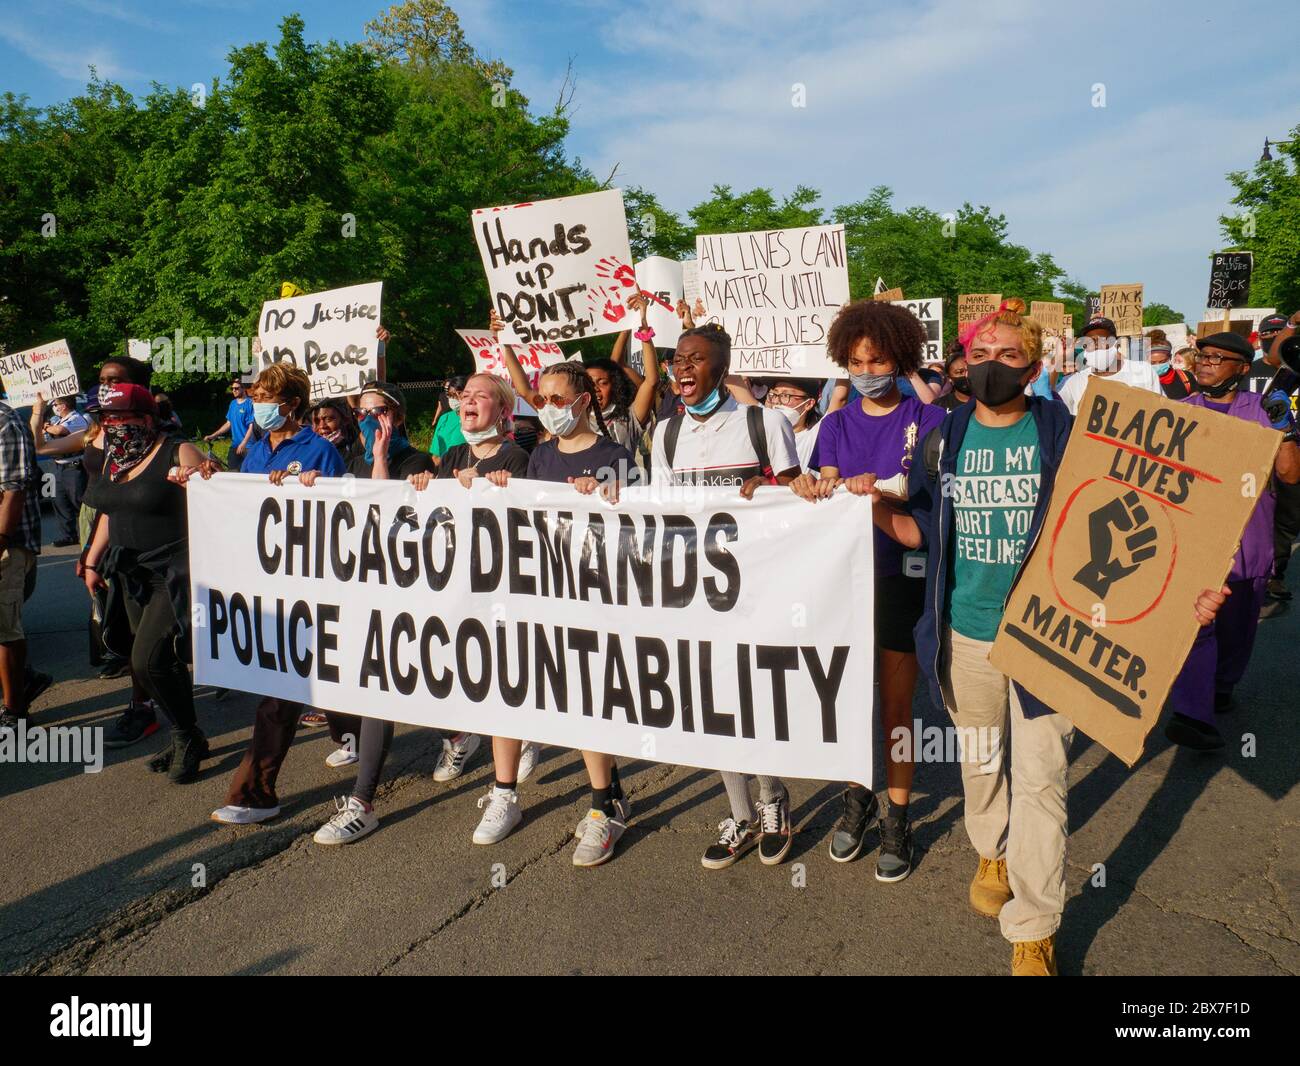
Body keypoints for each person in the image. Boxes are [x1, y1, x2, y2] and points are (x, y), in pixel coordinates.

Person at [865, 298, 1230, 975]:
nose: (993, 365)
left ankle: (1033, 923)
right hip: (963, 635)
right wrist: (862, 512)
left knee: (1042, 778)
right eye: (981, 354)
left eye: (1010, 356)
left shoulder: (1073, 437)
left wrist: (1190, 594)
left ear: (1035, 367)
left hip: (1048, 638)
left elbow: (1147, 518)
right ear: (964, 363)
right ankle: (992, 849)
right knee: (981, 760)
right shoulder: (944, 439)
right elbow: (923, 531)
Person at [789, 300, 946, 881]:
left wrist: (881, 494)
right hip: (845, 582)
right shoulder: (833, 424)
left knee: (897, 707)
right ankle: (857, 799)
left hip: (902, 577)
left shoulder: (930, 421)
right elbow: (827, 489)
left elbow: (932, 500)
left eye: (876, 359)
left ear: (899, 358)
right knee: (850, 703)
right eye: (854, 361)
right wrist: (810, 485)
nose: (864, 370)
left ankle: (897, 818)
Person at [467, 357, 639, 867]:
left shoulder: (614, 453)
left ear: (584, 403)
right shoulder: (538, 457)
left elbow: (636, 524)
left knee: (587, 698)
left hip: (592, 596)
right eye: (540, 401)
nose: (546, 408)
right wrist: (492, 490)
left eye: (557, 400)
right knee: (512, 684)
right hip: (536, 592)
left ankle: (603, 804)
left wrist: (607, 497)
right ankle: (503, 793)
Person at [648, 323, 802, 870]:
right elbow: (663, 517)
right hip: (696, 591)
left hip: (757, 588)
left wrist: (772, 490)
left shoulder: (765, 423)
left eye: (695, 359)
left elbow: (801, 504)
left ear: (722, 365)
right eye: (676, 359)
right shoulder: (665, 435)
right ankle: (738, 811)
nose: (682, 368)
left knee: (752, 699)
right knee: (713, 704)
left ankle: (773, 799)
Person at [210, 364, 347, 825]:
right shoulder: (253, 452)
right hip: (270, 588)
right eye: (254, 396)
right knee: (321, 679)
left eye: (267, 397)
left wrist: (314, 491)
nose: (257, 405)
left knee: (285, 688)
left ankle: (254, 794)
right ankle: (355, 735)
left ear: (290, 404)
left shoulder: (319, 450)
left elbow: (341, 516)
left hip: (313, 587)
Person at [310, 382, 437, 845]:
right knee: (383, 684)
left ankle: (362, 803)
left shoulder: (417, 462)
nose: (367, 419)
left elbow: (390, 519)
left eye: (378, 411)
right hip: (366, 591)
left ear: (397, 416)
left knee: (394, 682)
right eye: (360, 412)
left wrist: (382, 457)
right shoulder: (352, 462)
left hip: (410, 591)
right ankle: (456, 734)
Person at [1164, 331, 1300, 750]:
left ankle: (1221, 686)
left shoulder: (1264, 411)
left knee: (1238, 628)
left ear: (1242, 368)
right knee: (1195, 625)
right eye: (1200, 355)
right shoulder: (1180, 412)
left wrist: (1286, 431)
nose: (1205, 363)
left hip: (1249, 540)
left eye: (1217, 357)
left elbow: (1291, 476)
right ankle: (1192, 711)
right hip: (1194, 540)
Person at [408, 372, 538, 788]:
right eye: (465, 395)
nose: (469, 400)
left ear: (502, 411)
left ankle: (522, 734)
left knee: (503, 668)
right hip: (455, 581)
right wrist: (425, 486)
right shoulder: (451, 457)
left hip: (499, 583)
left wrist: (498, 489)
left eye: (481, 396)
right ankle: (462, 736)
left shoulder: (516, 458)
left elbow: (525, 517)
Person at [80, 384, 210, 781]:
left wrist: (202, 475)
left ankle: (187, 736)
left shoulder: (176, 450)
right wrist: (92, 559)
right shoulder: (113, 458)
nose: (116, 426)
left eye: (125, 418)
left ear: (148, 418)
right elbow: (107, 512)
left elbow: (216, 490)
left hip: (172, 573)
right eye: (108, 419)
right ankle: (185, 735)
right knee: (158, 662)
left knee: (146, 660)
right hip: (129, 571)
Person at [1244, 312, 1300, 612]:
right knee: (1257, 517)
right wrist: (1291, 323)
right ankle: (1256, 575)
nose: (1273, 339)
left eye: (1279, 333)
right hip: (1254, 454)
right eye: (1269, 334)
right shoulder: (1247, 370)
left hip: (1292, 452)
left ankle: (1276, 574)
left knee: (1288, 519)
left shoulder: (1294, 370)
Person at [0, 391, 42, 732]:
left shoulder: (7, 422)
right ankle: (26, 679)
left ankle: (15, 712)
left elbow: (13, 491)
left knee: (4, 629)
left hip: (6, 544)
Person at [1054, 316, 1162, 415]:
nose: (1095, 346)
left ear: (1116, 344)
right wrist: (1058, 360)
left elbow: (1161, 411)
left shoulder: (1143, 371)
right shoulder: (1074, 382)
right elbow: (1050, 407)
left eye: (1101, 340)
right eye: (1089, 342)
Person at [42, 394, 90, 546]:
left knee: (79, 501)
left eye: (56, 404)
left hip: (74, 466)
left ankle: (91, 533)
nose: (54, 408)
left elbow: (60, 431)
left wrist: (47, 427)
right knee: (59, 501)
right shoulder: (58, 420)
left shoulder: (76, 419)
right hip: (57, 466)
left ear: (63, 405)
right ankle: (69, 535)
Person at [763, 377, 824, 470]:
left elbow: (840, 398)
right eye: (775, 394)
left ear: (809, 404)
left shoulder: (815, 436)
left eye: (785, 395)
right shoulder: (763, 432)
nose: (777, 401)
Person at [203, 376, 256, 472]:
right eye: (232, 389)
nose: (234, 390)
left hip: (248, 446)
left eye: (236, 388)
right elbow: (228, 424)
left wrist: (244, 443)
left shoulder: (250, 404)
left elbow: (251, 427)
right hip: (235, 445)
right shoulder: (233, 404)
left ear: (243, 388)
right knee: (232, 472)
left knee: (248, 473)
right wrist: (213, 435)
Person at [428, 376, 468, 467]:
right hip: (444, 473)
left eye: (458, 394)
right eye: (451, 396)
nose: (453, 399)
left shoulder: (474, 419)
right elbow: (435, 456)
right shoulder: (444, 418)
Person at [1148, 330, 1195, 399]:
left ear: (1170, 357)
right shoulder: (1143, 381)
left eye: (1162, 362)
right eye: (1153, 363)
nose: (1157, 365)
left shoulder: (1186, 377)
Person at [937, 341, 973, 411]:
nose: (966, 375)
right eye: (959, 372)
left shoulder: (986, 402)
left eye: (969, 370)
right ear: (949, 378)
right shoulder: (939, 405)